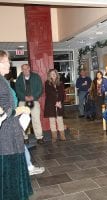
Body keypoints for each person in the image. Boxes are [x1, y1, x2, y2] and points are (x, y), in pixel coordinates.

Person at [0, 50, 33, 200]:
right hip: (6, 134)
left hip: (11, 130)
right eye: (6, 61)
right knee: (9, 167)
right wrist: (19, 110)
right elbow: (4, 111)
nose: (9, 64)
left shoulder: (3, 80)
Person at [15, 63, 45, 144]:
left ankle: (39, 137)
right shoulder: (19, 78)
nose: (25, 70)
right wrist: (24, 97)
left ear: (29, 68)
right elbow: (17, 90)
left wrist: (33, 97)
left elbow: (40, 88)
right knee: (23, 120)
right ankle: (24, 137)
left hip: (34, 101)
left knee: (36, 119)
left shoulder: (36, 77)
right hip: (23, 101)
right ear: (22, 70)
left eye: (26, 68)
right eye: (23, 69)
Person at [44, 69, 66, 142]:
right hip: (50, 104)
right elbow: (49, 94)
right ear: (49, 75)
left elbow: (62, 94)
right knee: (52, 121)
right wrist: (55, 102)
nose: (53, 74)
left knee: (60, 120)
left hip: (59, 104)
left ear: (56, 74)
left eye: (54, 73)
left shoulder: (60, 83)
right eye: (51, 73)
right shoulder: (47, 83)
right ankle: (54, 137)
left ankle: (62, 136)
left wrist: (59, 102)